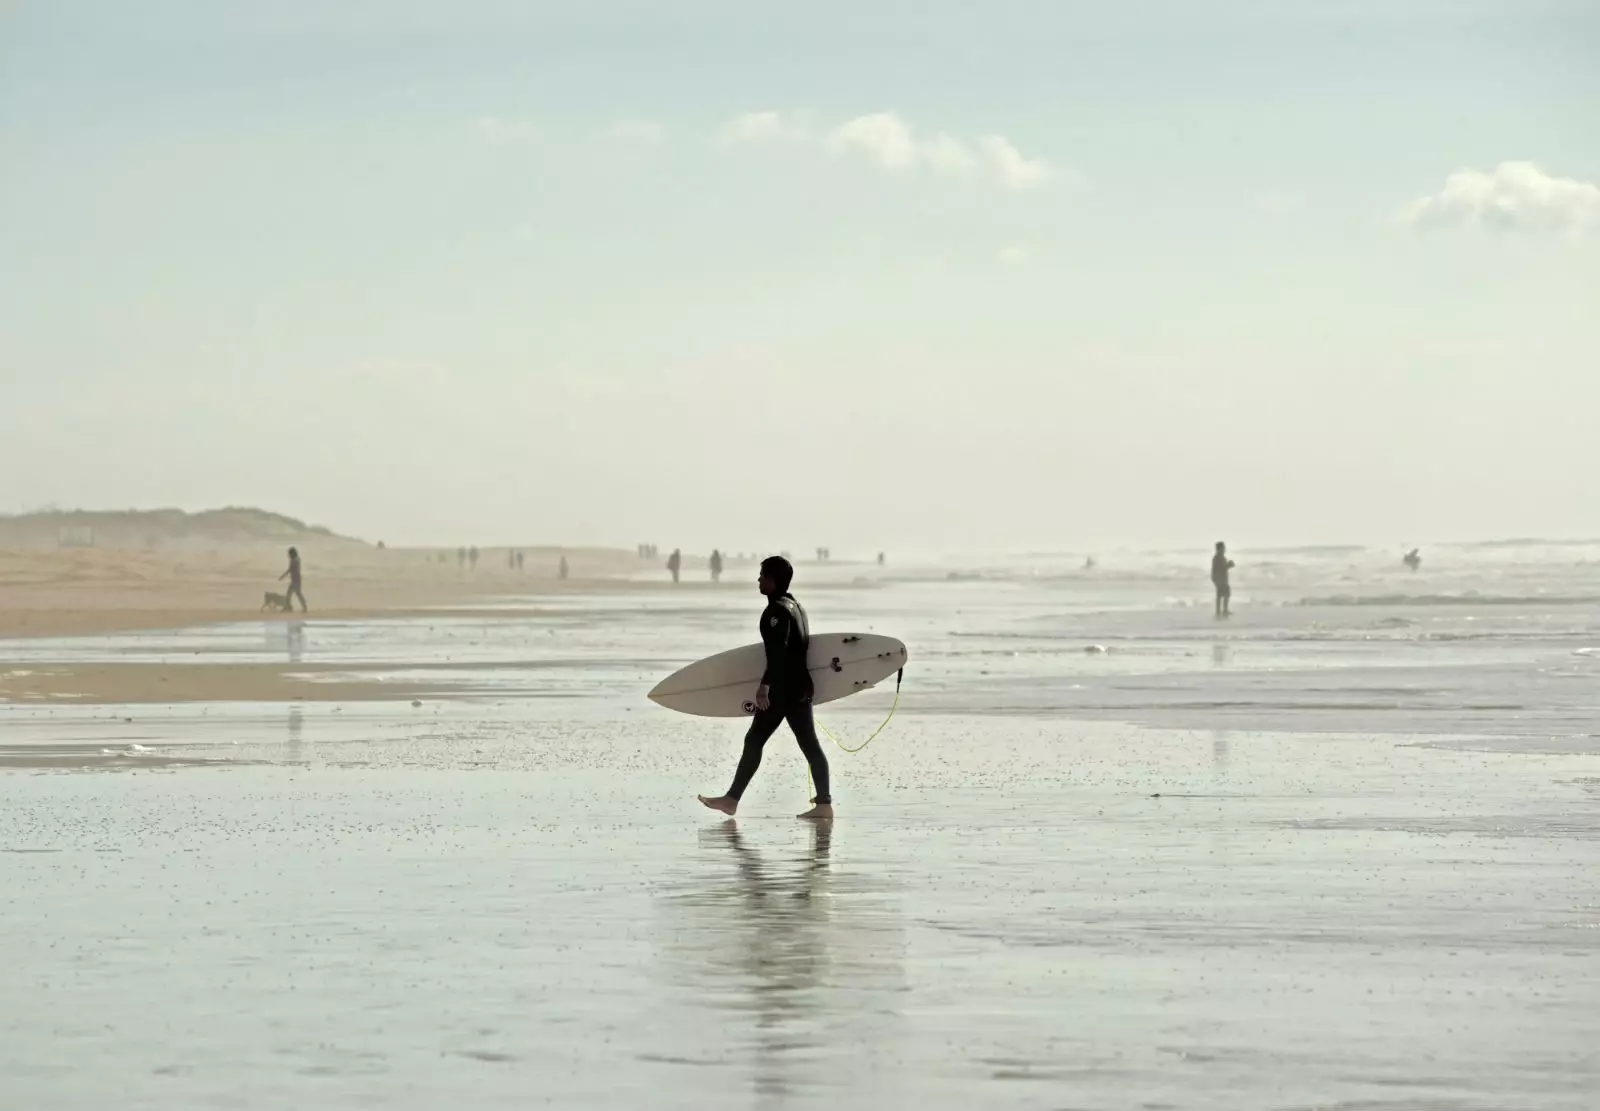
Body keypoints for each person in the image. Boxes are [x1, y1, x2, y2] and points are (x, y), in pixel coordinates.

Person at [699, 555, 833, 821]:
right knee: (809, 745)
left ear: (772, 580)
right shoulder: (796, 606)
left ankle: (731, 800)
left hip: (783, 689)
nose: (758, 579)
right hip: (801, 687)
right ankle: (824, 805)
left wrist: (764, 687)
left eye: (762, 575)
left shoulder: (776, 612)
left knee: (755, 740)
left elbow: (778, 653)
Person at [278, 546, 307, 613]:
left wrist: (283, 576)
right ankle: (290, 607)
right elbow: (291, 570)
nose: (288, 555)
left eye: (289, 554)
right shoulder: (295, 560)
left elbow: (291, 569)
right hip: (295, 579)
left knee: (295, 594)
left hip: (296, 580)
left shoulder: (295, 560)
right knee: (291, 594)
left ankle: (300, 607)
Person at [1211, 541, 1234, 618]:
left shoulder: (1218, 557)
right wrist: (1229, 565)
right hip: (1221, 579)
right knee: (1224, 595)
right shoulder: (1218, 558)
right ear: (1220, 549)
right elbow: (1222, 568)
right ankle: (1223, 610)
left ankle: (1221, 610)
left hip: (1220, 579)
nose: (1224, 549)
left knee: (1221, 595)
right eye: (1223, 548)